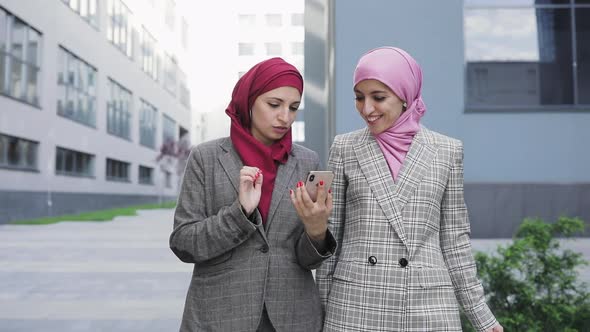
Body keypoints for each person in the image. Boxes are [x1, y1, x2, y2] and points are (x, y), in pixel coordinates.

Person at [315, 47, 503, 332]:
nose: (367, 109)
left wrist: (481, 316)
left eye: (379, 97)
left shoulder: (447, 151)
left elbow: (454, 241)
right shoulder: (345, 147)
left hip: (426, 305)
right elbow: (333, 237)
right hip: (356, 305)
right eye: (359, 97)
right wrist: (321, 312)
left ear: (406, 95)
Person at [170, 57, 336, 332]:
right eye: (274, 104)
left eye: (293, 107)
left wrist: (317, 232)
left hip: (292, 317)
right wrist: (239, 213)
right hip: (220, 316)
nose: (285, 117)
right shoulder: (206, 158)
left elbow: (309, 260)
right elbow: (184, 243)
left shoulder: (306, 162)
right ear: (249, 101)